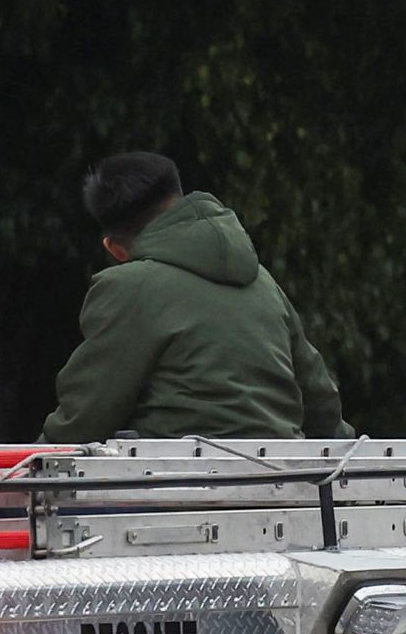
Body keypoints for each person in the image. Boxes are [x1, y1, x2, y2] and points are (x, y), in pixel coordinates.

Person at [40, 153, 348, 443]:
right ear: (180, 198)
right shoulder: (263, 282)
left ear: (115, 249)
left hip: (173, 487)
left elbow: (85, 419)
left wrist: (18, 474)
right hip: (279, 483)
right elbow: (320, 401)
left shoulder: (128, 286)